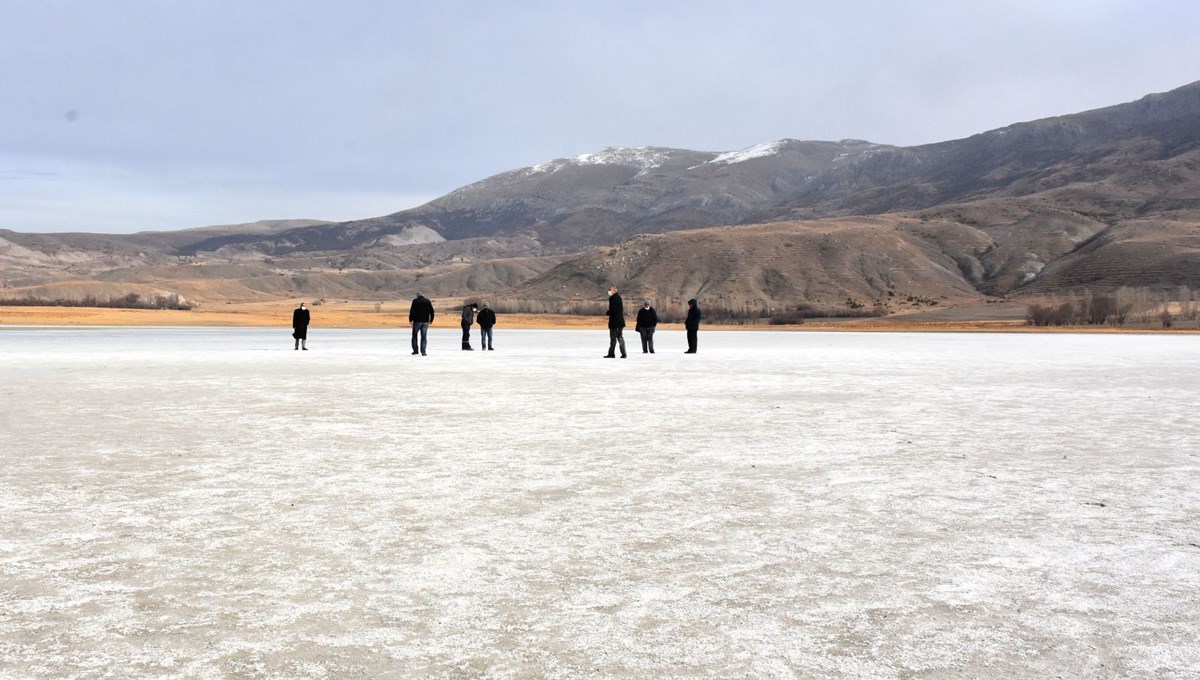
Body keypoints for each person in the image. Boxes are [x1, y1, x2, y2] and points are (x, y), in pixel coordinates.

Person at [604, 285, 627, 358]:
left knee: (613, 339)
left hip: (615, 323)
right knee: (620, 337)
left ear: (614, 291)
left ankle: (611, 353)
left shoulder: (613, 298)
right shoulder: (619, 298)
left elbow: (614, 310)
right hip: (620, 322)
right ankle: (624, 353)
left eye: (610, 290)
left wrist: (608, 312)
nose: (609, 291)